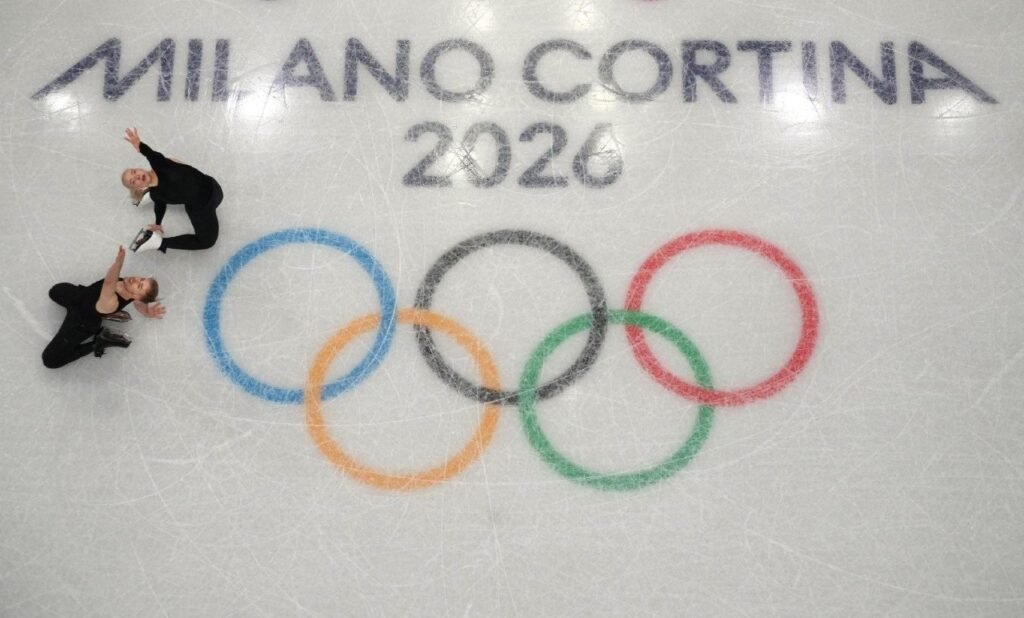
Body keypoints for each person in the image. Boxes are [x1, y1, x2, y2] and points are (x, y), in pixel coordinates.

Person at [42, 246, 165, 369]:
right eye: (142, 279)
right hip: (81, 297)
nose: (136, 280)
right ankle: (107, 314)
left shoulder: (111, 302)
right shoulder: (129, 288)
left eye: (139, 286)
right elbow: (139, 301)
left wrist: (118, 264)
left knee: (50, 360)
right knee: (55, 291)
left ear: (136, 295)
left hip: (82, 322)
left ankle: (100, 342)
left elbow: (109, 283)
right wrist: (146, 311)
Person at [121, 127, 224, 252]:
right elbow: (160, 205)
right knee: (207, 241)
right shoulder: (157, 195)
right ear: (138, 187)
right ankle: (158, 242)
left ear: (139, 169)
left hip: (212, 186)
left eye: (134, 172)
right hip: (200, 208)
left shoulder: (160, 165)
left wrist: (139, 145)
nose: (136, 176)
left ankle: (146, 193)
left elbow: (150, 154)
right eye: (133, 181)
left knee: (174, 163)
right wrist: (158, 223)